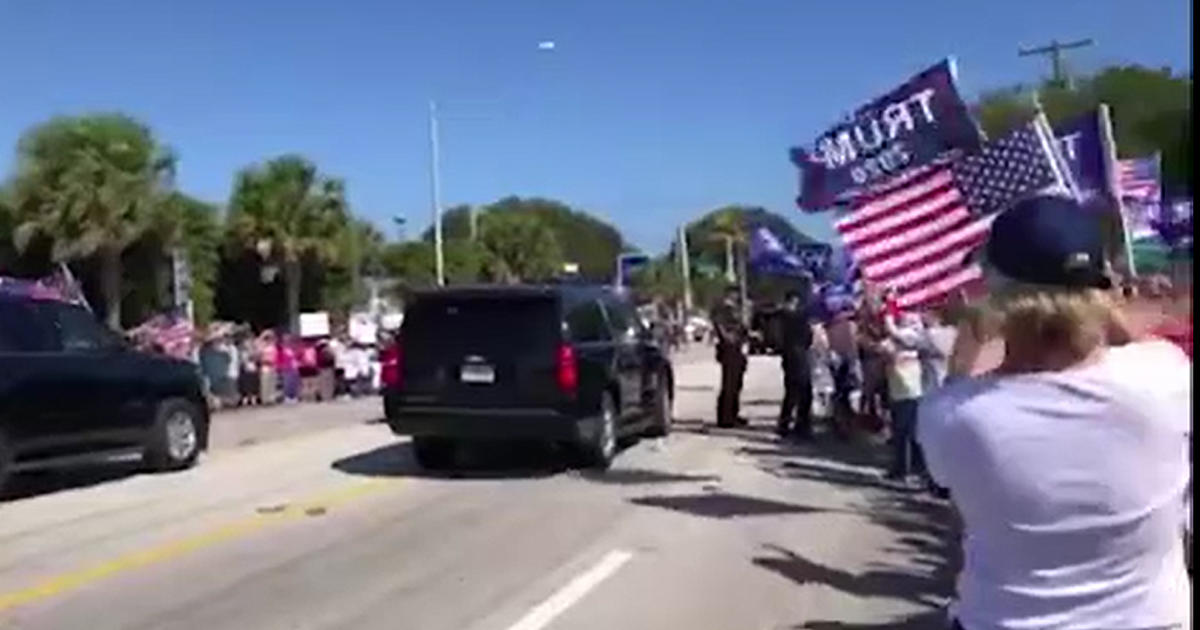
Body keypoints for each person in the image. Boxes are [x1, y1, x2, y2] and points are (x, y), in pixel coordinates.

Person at [918, 196, 1191, 630]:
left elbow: (946, 452)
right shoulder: (1166, 375)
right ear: (1100, 288)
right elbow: (1127, 342)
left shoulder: (953, 416)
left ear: (993, 292)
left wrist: (972, 332)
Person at [879, 309, 927, 487]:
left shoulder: (915, 336)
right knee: (901, 432)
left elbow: (896, 336)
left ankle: (912, 469)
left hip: (911, 389)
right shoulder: (899, 340)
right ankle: (903, 468)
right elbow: (884, 347)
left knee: (909, 432)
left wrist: (888, 316)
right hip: (900, 389)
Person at [776, 290, 814, 439]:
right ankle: (801, 426)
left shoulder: (782, 317)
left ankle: (785, 425)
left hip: (789, 356)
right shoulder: (795, 317)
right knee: (803, 392)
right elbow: (808, 337)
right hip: (798, 356)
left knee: (791, 392)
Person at [711, 285, 748, 428]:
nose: (737, 297)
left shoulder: (735, 309)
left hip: (738, 348)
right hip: (729, 349)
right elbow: (719, 326)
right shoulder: (722, 309)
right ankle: (725, 417)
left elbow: (741, 327)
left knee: (737, 383)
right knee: (729, 383)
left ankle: (733, 413)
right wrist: (728, 338)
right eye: (735, 294)